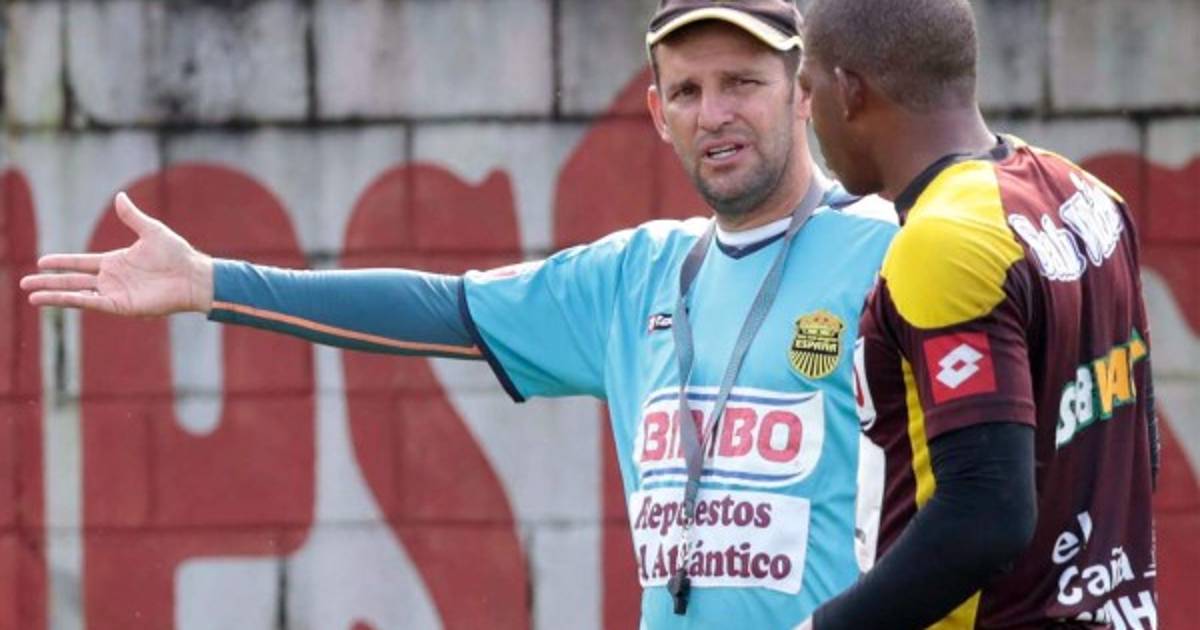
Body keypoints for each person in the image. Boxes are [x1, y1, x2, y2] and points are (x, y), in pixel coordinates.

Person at [23, 1, 897, 628]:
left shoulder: (890, 249)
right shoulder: (639, 275)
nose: (714, 114)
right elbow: (442, 308)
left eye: (742, 82)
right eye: (687, 90)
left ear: (803, 91)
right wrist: (213, 283)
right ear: (657, 113)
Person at [792, 0, 1159, 628]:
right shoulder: (1088, 195)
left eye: (808, 86)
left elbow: (986, 514)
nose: (806, 110)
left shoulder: (943, 241)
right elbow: (1137, 443)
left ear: (849, 90)